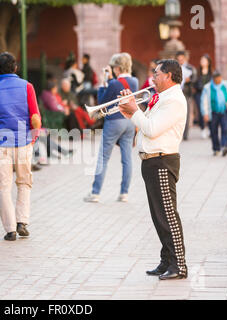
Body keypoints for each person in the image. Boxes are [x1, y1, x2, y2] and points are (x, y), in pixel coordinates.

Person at [119, 59, 188, 280]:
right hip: (151, 161)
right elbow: (145, 124)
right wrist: (130, 111)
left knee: (167, 215)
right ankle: (166, 260)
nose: (152, 78)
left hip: (162, 161)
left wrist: (134, 110)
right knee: (158, 216)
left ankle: (179, 265)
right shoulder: (162, 98)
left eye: (156, 73)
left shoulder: (175, 100)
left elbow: (152, 128)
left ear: (168, 76)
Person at [0, 52, 42, 241]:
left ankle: (10, 229)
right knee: (24, 182)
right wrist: (33, 137)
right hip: (23, 142)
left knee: (3, 187)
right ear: (15, 68)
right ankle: (22, 221)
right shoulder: (27, 87)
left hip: (0, 144)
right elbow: (35, 118)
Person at [84, 52, 138, 203]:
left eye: (114, 67)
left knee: (103, 157)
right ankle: (124, 193)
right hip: (129, 122)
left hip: (114, 121)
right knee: (127, 159)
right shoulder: (134, 80)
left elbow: (101, 100)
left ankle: (95, 193)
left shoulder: (113, 83)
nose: (113, 70)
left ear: (118, 68)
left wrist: (103, 82)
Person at [201, 71, 227, 157]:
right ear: (213, 79)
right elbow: (204, 101)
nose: (219, 80)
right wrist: (205, 113)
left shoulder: (225, 85)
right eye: (217, 79)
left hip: (224, 111)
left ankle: (224, 146)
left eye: (220, 78)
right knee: (213, 131)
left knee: (226, 129)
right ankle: (216, 149)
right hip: (213, 113)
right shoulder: (207, 87)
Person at [176, 51, 197, 141]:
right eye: (179, 60)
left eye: (182, 59)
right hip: (177, 92)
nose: (180, 61)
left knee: (186, 113)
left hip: (186, 92)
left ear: (185, 59)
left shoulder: (190, 68)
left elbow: (195, 78)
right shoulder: (175, 68)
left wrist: (190, 80)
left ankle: (185, 134)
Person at [193, 54, 213, 139]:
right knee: (201, 112)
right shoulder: (197, 72)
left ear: (208, 62)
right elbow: (194, 83)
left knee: (208, 111)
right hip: (199, 93)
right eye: (201, 61)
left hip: (209, 94)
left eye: (204, 60)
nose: (202, 62)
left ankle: (210, 128)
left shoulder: (212, 72)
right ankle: (202, 128)